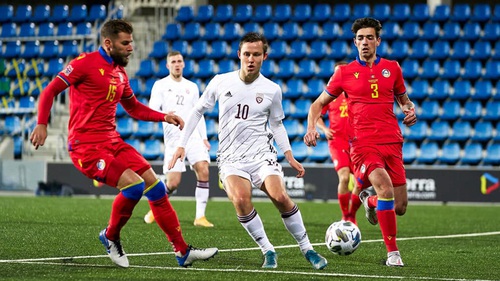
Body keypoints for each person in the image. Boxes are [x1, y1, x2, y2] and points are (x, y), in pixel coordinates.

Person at [29, 19, 218, 268]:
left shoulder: (120, 72)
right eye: (125, 43)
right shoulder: (83, 64)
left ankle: (182, 251)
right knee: (133, 187)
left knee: (156, 187)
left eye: (132, 42)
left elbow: (133, 108)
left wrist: (164, 116)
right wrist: (42, 123)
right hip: (86, 147)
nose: (131, 48)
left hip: (113, 141)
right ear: (108, 44)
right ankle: (110, 236)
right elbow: (49, 91)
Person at [169, 32, 327, 270]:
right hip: (231, 158)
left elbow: (276, 124)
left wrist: (289, 156)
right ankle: (268, 251)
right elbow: (197, 111)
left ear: (264, 56)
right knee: (241, 200)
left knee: (280, 196)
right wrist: (182, 144)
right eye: (246, 54)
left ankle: (308, 249)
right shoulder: (221, 81)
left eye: (256, 54)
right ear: (239, 55)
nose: (251, 59)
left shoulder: (272, 89)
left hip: (262, 155)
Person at [304, 17, 417, 267]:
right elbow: (317, 104)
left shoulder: (393, 68)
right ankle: (393, 253)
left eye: (369, 37)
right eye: (360, 38)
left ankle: (369, 200)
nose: (364, 42)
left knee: (399, 206)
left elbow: (404, 100)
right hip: (363, 144)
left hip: (392, 142)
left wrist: (410, 110)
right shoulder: (343, 72)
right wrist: (312, 127)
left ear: (378, 40)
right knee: (385, 188)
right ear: (354, 42)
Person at [143, 51, 214, 228]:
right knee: (173, 183)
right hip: (174, 138)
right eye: (173, 61)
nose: (176, 64)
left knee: (203, 169)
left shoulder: (192, 86)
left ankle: (200, 217)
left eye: (179, 61)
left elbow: (199, 114)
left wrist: (204, 137)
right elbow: (152, 109)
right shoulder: (160, 85)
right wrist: (163, 115)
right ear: (168, 65)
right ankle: (155, 208)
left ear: (183, 64)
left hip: (193, 136)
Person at [315, 61, 361, 225]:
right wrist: (324, 129)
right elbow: (317, 114)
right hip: (338, 142)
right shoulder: (329, 95)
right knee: (343, 178)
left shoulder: (357, 92)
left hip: (357, 143)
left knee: (360, 182)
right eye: (336, 73)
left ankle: (352, 214)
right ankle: (345, 215)